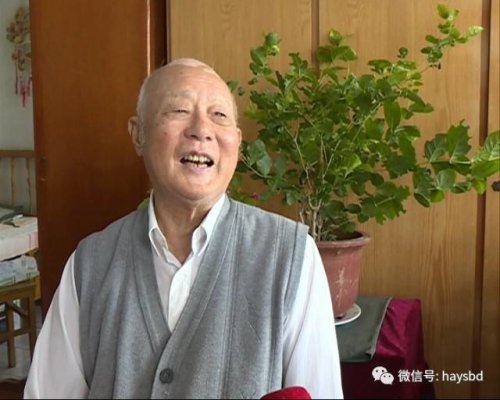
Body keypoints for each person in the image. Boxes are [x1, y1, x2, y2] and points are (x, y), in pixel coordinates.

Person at [24, 58, 344, 399]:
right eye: (179, 110)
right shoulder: (90, 264)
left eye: (218, 115)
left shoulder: (290, 257)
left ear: (236, 142)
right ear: (138, 134)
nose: (201, 130)